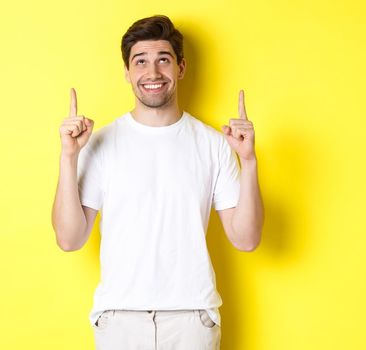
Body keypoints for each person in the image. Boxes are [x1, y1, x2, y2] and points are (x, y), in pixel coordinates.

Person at [50, 15, 264, 350]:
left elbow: (246, 239)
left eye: (163, 60)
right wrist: (68, 156)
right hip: (119, 319)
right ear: (127, 72)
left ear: (180, 67)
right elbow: (69, 238)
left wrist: (248, 161)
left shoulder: (213, 144)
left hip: (192, 319)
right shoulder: (99, 143)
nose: (152, 73)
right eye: (141, 62)